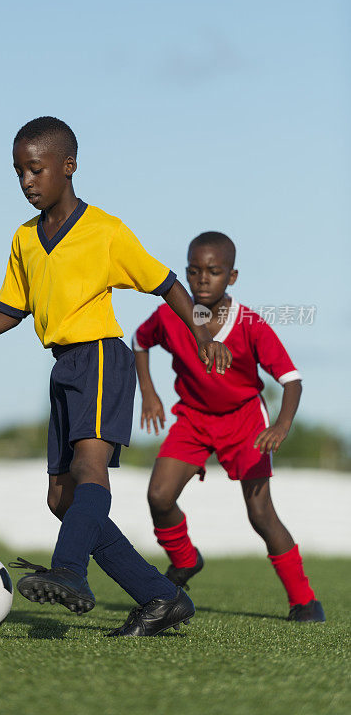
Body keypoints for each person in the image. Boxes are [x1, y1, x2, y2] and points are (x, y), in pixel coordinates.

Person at [0, 117, 232, 637]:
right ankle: (162, 597)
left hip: (100, 358)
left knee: (90, 468)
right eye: (18, 172)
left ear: (67, 166)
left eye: (35, 169)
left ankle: (71, 570)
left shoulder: (106, 231)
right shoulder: (24, 239)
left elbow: (165, 283)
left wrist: (203, 334)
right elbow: (13, 307)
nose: (27, 181)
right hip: (63, 367)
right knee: (61, 498)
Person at [133, 231, 325, 622]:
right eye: (194, 270)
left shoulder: (251, 325)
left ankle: (305, 601)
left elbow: (291, 380)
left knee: (260, 514)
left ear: (232, 277)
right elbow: (139, 341)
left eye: (214, 271)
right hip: (193, 419)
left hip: (244, 423)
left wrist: (283, 424)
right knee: (159, 496)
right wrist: (149, 394)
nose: (202, 279)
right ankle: (186, 561)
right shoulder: (171, 315)